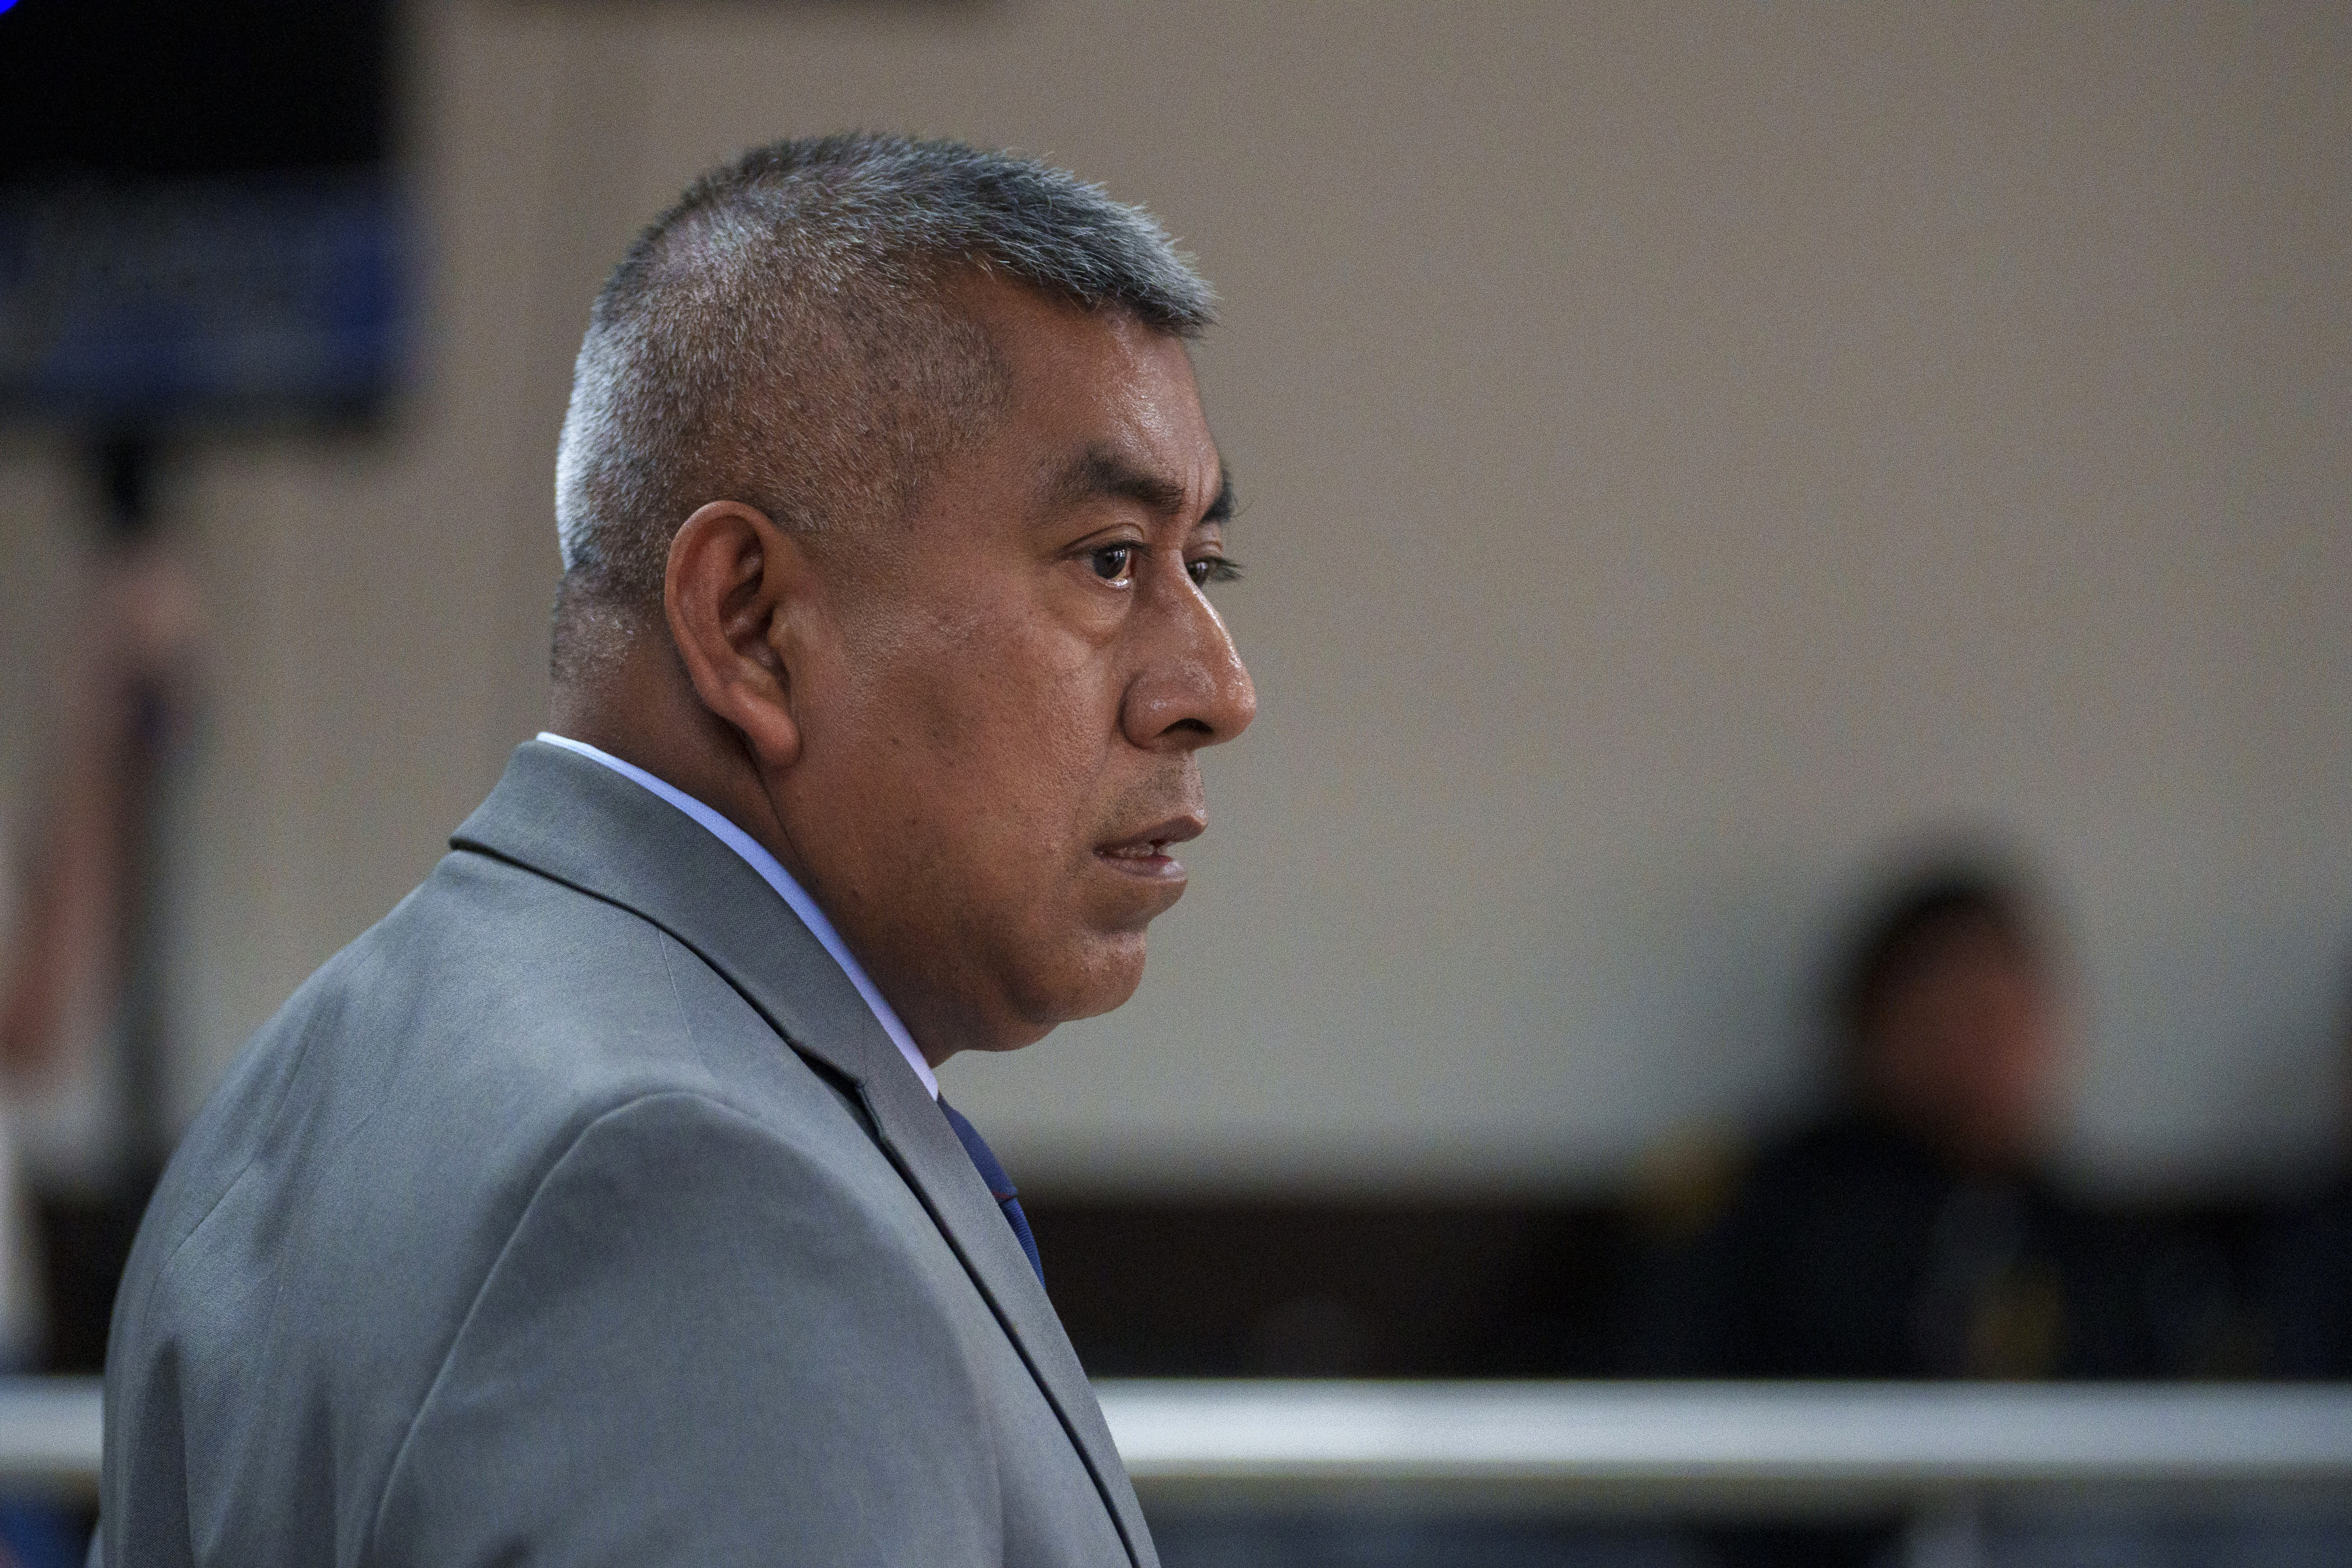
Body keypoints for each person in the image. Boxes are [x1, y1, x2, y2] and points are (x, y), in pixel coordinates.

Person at [95, 134, 1254, 1566]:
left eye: (1203, 564)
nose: (1214, 687)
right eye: (1109, 560)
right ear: (753, 621)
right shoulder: (693, 1195)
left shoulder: (325, 1056)